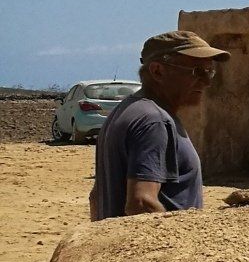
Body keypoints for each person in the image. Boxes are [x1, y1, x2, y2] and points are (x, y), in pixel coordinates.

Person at [90, 31, 229, 220]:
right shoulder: (154, 121)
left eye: (209, 72)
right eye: (197, 71)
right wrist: (173, 244)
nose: (206, 82)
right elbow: (141, 203)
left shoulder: (125, 111)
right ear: (158, 71)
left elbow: (96, 198)